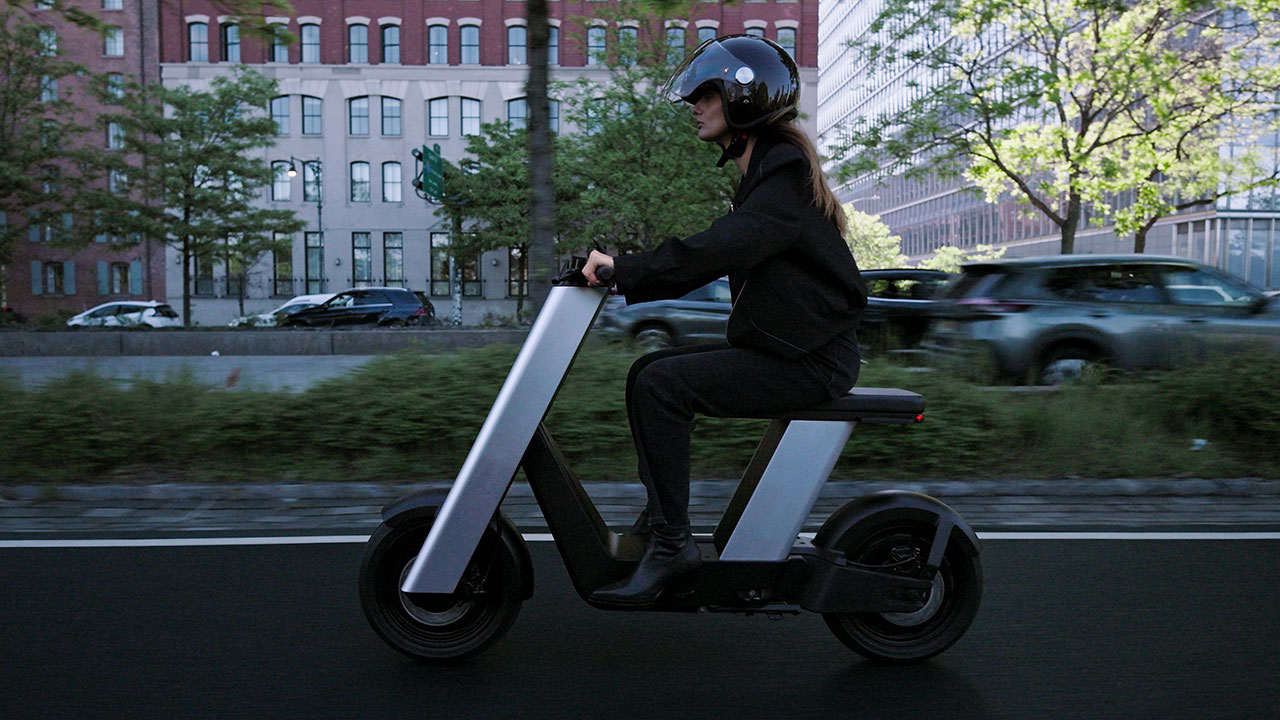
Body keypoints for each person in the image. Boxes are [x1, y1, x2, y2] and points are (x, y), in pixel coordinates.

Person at [582, 35, 867, 607]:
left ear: (744, 102)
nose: (695, 105)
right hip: (795, 352)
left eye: (706, 94)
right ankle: (662, 525)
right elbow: (716, 253)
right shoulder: (770, 177)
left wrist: (623, 269)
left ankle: (671, 545)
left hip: (812, 363)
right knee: (649, 374)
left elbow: (713, 251)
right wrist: (627, 271)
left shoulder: (781, 184)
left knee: (662, 385)